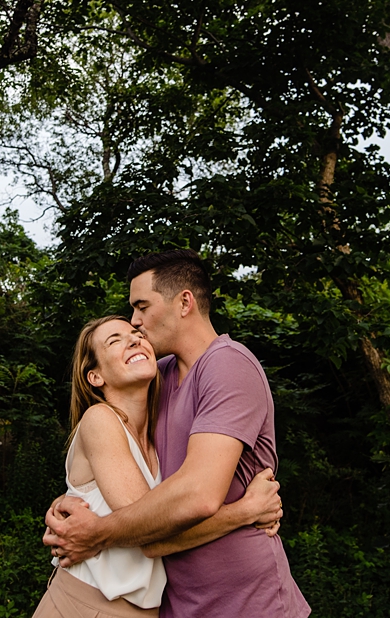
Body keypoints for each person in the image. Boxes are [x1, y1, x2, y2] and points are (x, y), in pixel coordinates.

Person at [45, 250, 311, 618]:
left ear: (184, 302)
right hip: (177, 603)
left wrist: (98, 531)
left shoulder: (228, 365)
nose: (135, 323)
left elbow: (197, 496)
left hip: (244, 600)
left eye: (142, 306)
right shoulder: (159, 375)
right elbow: (128, 468)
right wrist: (76, 498)